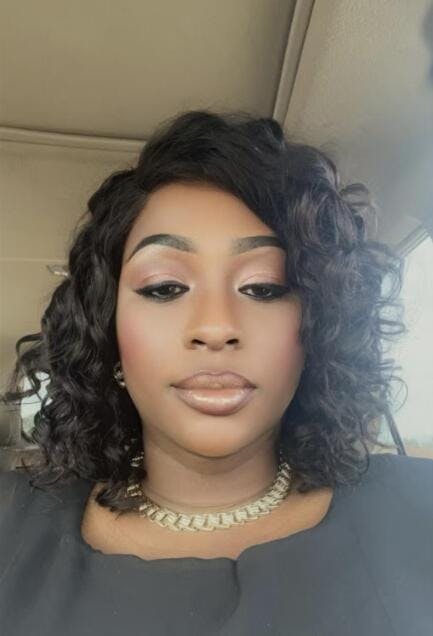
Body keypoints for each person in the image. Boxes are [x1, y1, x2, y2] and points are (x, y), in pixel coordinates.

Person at [0, 109, 432, 636]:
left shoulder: (419, 512)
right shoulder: (10, 526)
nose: (216, 327)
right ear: (107, 331)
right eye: (164, 288)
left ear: (318, 328)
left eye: (264, 287)